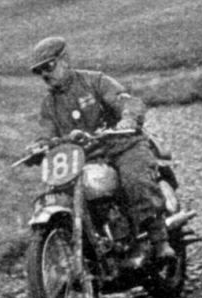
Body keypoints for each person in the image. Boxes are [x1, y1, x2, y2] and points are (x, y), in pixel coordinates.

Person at [29, 36, 175, 263]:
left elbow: (126, 101)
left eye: (49, 66)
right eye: (39, 72)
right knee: (62, 196)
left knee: (134, 179)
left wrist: (127, 119)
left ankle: (159, 239)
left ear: (64, 60)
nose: (45, 75)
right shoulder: (49, 104)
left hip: (120, 146)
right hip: (83, 158)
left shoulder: (94, 81)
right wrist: (39, 145)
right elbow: (46, 132)